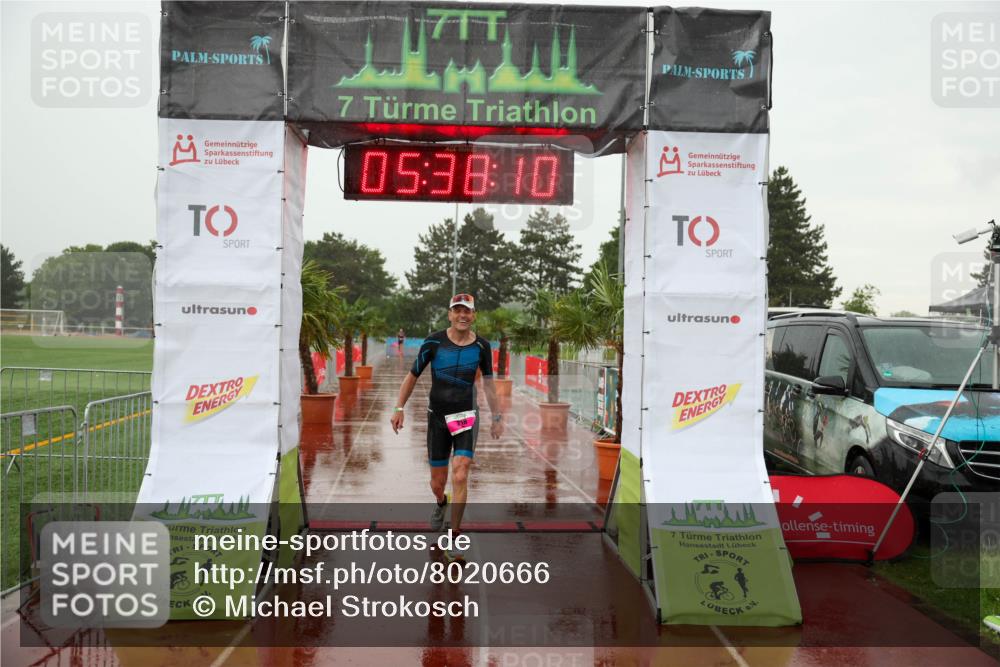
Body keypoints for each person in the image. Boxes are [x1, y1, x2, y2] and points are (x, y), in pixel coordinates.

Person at [390, 294, 503, 559]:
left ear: (474, 316)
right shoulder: (433, 341)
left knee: (461, 473)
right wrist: (399, 407)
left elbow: (488, 384)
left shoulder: (482, 347)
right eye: (458, 311)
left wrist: (497, 417)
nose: (463, 315)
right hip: (437, 419)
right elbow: (412, 376)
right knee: (437, 482)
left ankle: (454, 535)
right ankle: (441, 501)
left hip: (465, 417)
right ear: (450, 314)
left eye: (468, 311)